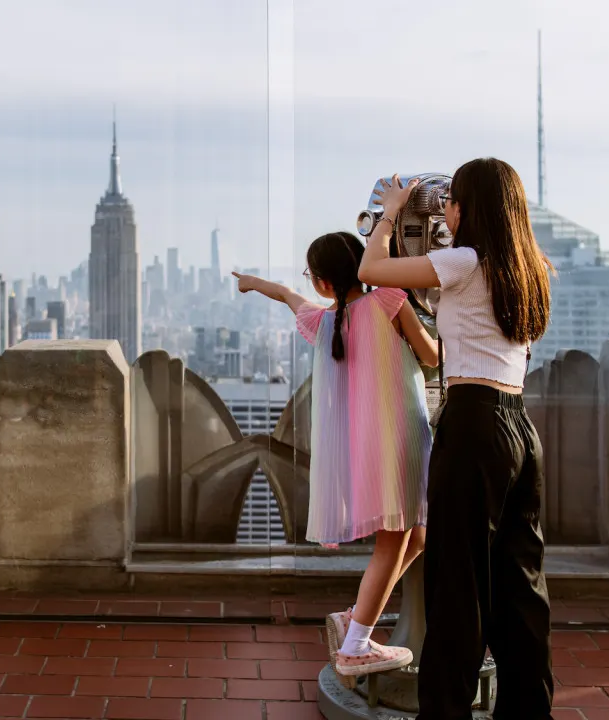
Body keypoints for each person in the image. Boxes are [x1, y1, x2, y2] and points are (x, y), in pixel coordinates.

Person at [358, 161, 555, 719]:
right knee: (522, 587)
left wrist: (392, 214)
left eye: (451, 202)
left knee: (457, 589)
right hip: (520, 427)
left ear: (468, 209)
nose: (444, 212)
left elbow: (373, 267)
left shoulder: (463, 262)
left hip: (472, 426)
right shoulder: (531, 267)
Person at [233, 230, 438, 684]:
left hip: (367, 449)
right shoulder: (389, 300)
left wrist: (251, 283)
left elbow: (287, 295)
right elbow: (431, 357)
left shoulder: (324, 322)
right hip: (400, 439)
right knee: (395, 539)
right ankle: (356, 646)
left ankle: (355, 616)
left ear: (323, 283)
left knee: (418, 537)